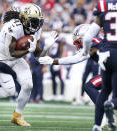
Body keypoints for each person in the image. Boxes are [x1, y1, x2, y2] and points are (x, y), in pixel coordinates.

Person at [0, 3, 58, 126]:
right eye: (34, 21)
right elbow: (11, 53)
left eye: (38, 21)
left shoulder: (36, 29)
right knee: (9, 91)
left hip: (16, 59)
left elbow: (39, 57)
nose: (37, 25)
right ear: (25, 19)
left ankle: (17, 116)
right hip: (1, 59)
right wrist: (27, 50)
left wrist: (46, 48)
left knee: (28, 84)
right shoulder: (13, 27)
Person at [39, 24, 104, 107]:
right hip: (111, 71)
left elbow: (77, 58)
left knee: (89, 86)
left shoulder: (95, 41)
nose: (79, 45)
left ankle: (106, 111)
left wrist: (54, 61)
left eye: (79, 41)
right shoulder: (100, 40)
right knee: (102, 91)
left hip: (113, 71)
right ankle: (107, 112)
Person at [81, 1, 117, 131]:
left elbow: (86, 38)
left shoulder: (103, 6)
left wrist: (85, 51)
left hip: (106, 55)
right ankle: (111, 105)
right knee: (115, 97)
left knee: (104, 91)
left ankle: (96, 126)